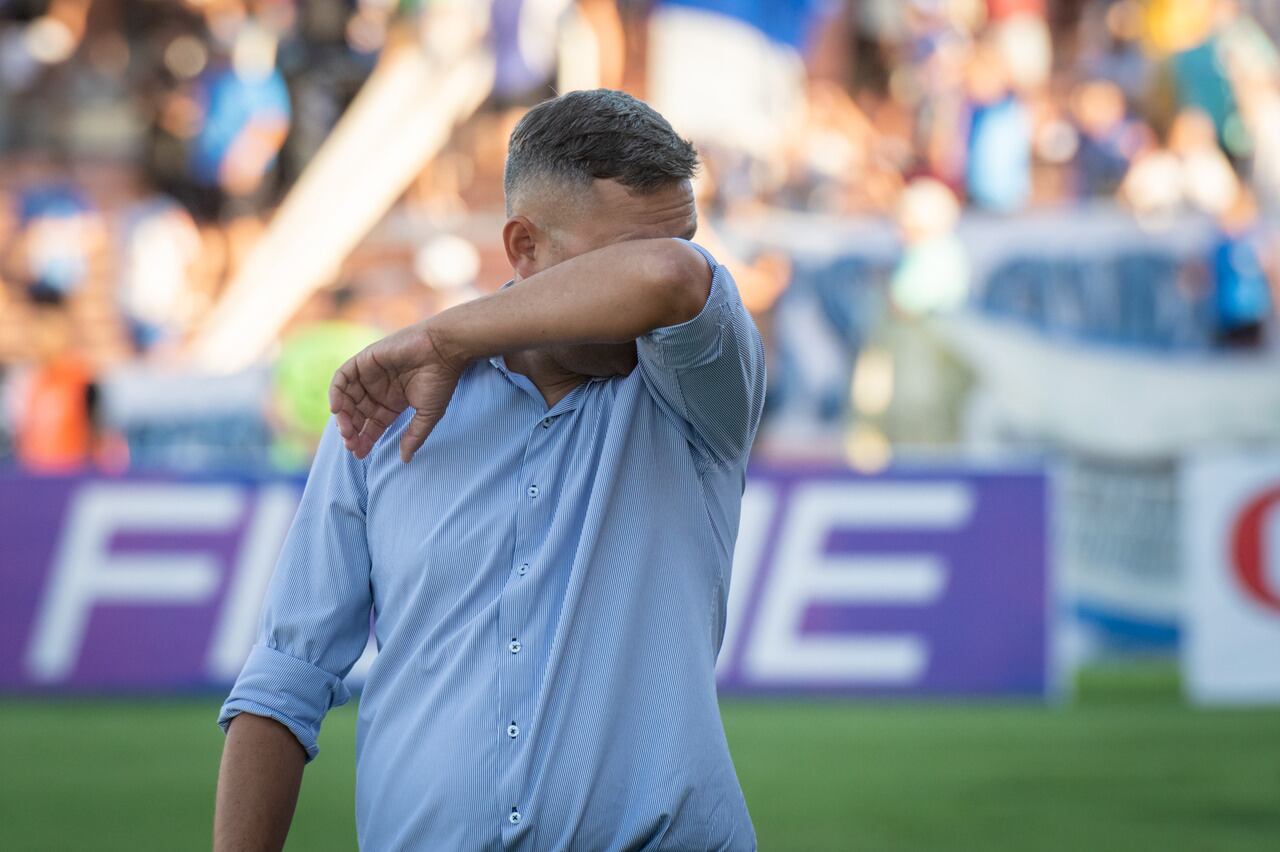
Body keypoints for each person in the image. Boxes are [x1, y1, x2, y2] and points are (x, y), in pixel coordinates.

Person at [214, 89, 765, 851]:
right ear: (523, 247)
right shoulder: (387, 409)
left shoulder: (703, 385)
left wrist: (441, 339)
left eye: (682, 238)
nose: (658, 272)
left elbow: (672, 279)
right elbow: (285, 676)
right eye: (618, 254)